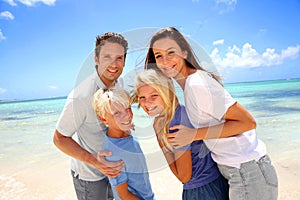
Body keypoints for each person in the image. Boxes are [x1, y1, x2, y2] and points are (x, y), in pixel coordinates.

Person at [144, 27, 278, 200]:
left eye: (171, 52)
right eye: (159, 56)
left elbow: (247, 122)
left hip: (248, 171)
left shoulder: (197, 84)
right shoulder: (190, 86)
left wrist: (193, 134)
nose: (165, 61)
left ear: (184, 52)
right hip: (237, 171)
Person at [53, 32, 128, 200]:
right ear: (96, 59)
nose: (114, 64)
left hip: (116, 170)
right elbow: (59, 139)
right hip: (91, 177)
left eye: (119, 58)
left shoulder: (120, 84)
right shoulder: (80, 96)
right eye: (107, 57)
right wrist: (95, 162)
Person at [133, 69, 229, 200]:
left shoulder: (176, 123)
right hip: (211, 183)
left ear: (167, 93)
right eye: (142, 98)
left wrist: (160, 139)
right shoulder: (179, 112)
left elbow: (184, 176)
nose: (147, 103)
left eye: (154, 96)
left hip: (202, 190)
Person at [92, 86, 155, 200]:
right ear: (104, 119)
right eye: (116, 113)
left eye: (128, 108)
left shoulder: (126, 130)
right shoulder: (112, 153)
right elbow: (124, 195)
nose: (127, 115)